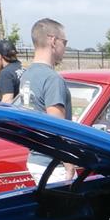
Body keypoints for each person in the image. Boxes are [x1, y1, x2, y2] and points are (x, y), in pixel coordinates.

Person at [17, 18, 73, 182]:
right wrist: (69, 164)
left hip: (35, 158)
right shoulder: (52, 78)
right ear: (53, 41)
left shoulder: (27, 75)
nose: (65, 47)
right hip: (53, 164)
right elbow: (57, 127)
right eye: (64, 42)